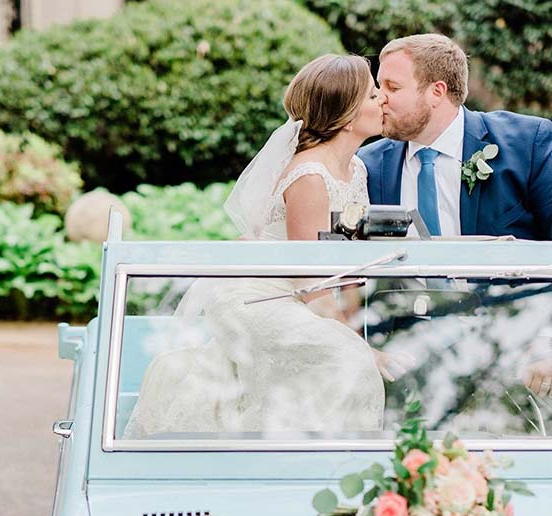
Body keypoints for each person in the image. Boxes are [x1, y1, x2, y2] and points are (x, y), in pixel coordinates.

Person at [123, 54, 387, 439]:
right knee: (347, 359)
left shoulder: (357, 169)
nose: (382, 101)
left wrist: (360, 328)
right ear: (347, 115)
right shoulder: (310, 176)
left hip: (303, 295)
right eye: (372, 95)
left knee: (343, 356)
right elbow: (308, 280)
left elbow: (344, 265)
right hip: (257, 296)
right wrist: (360, 345)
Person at [358, 34, 552, 240]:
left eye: (393, 87)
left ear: (437, 92)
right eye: (379, 86)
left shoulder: (529, 145)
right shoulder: (367, 165)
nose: (379, 97)